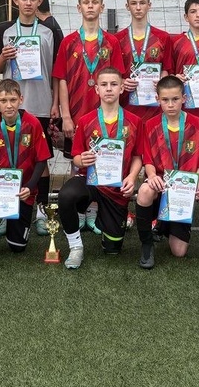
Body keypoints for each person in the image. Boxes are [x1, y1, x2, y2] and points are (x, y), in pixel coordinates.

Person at [0, 0, 62, 235]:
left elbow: (57, 72)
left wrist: (55, 103)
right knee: (7, 157)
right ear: (15, 1)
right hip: (11, 106)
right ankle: (7, 208)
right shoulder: (4, 30)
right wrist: (3, 56)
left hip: (40, 105)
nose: (28, 3)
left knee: (41, 159)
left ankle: (41, 209)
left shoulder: (49, 31)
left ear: (39, 1)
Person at [57, 66, 143, 270]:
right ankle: (76, 247)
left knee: (113, 249)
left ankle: (105, 225)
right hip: (91, 182)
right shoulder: (85, 120)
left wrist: (132, 177)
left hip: (117, 188)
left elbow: (138, 156)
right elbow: (76, 157)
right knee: (66, 195)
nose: (109, 88)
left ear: (122, 88)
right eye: (104, 84)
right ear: (97, 89)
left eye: (114, 84)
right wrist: (82, 160)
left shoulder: (135, 121)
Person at [53, 0, 122, 232]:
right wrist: (66, 116)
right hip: (76, 114)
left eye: (95, 2)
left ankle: (94, 210)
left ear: (102, 8)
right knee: (78, 162)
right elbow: (62, 79)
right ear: (78, 7)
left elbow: (117, 79)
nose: (90, 6)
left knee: (101, 161)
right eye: (86, 2)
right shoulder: (68, 42)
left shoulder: (111, 42)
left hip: (104, 116)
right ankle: (80, 209)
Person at [0, 79, 52, 262]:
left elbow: (41, 161)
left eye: (13, 100)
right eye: (4, 100)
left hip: (22, 192)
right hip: (0, 189)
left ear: (21, 99)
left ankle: (9, 219)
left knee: (17, 247)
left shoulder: (33, 123)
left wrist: (30, 187)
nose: (9, 105)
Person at [131, 75, 199, 269]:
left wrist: (198, 181)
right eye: (165, 100)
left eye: (175, 99)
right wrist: (152, 176)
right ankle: (147, 244)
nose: (170, 104)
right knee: (145, 191)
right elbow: (148, 160)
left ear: (184, 98)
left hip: (183, 189)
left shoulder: (197, 123)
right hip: (161, 183)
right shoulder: (150, 124)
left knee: (179, 252)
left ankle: (164, 225)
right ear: (157, 99)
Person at [116, 0, 171, 124]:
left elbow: (166, 68)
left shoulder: (163, 37)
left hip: (155, 105)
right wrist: (122, 81)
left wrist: (162, 81)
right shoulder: (117, 39)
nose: (138, 7)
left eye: (142, 3)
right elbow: (114, 73)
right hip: (126, 105)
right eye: (134, 3)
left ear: (149, 5)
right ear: (127, 6)